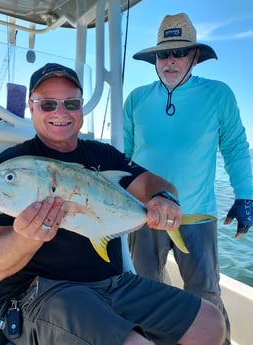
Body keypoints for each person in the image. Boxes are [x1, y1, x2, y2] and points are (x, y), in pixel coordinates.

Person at [0, 62, 225, 345]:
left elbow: (155, 184)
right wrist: (25, 237)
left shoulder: (104, 156)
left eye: (71, 103)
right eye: (48, 104)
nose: (61, 113)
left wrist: (163, 199)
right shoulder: (9, 167)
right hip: (43, 295)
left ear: (81, 108)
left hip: (115, 285)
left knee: (209, 323)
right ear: (31, 107)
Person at [124, 13, 253, 345]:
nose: (170, 61)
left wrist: (245, 196)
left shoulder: (218, 95)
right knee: (147, 287)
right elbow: (125, 159)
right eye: (163, 53)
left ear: (194, 56)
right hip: (144, 214)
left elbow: (236, 147)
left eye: (179, 52)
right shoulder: (135, 99)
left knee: (204, 292)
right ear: (155, 58)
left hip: (196, 214)